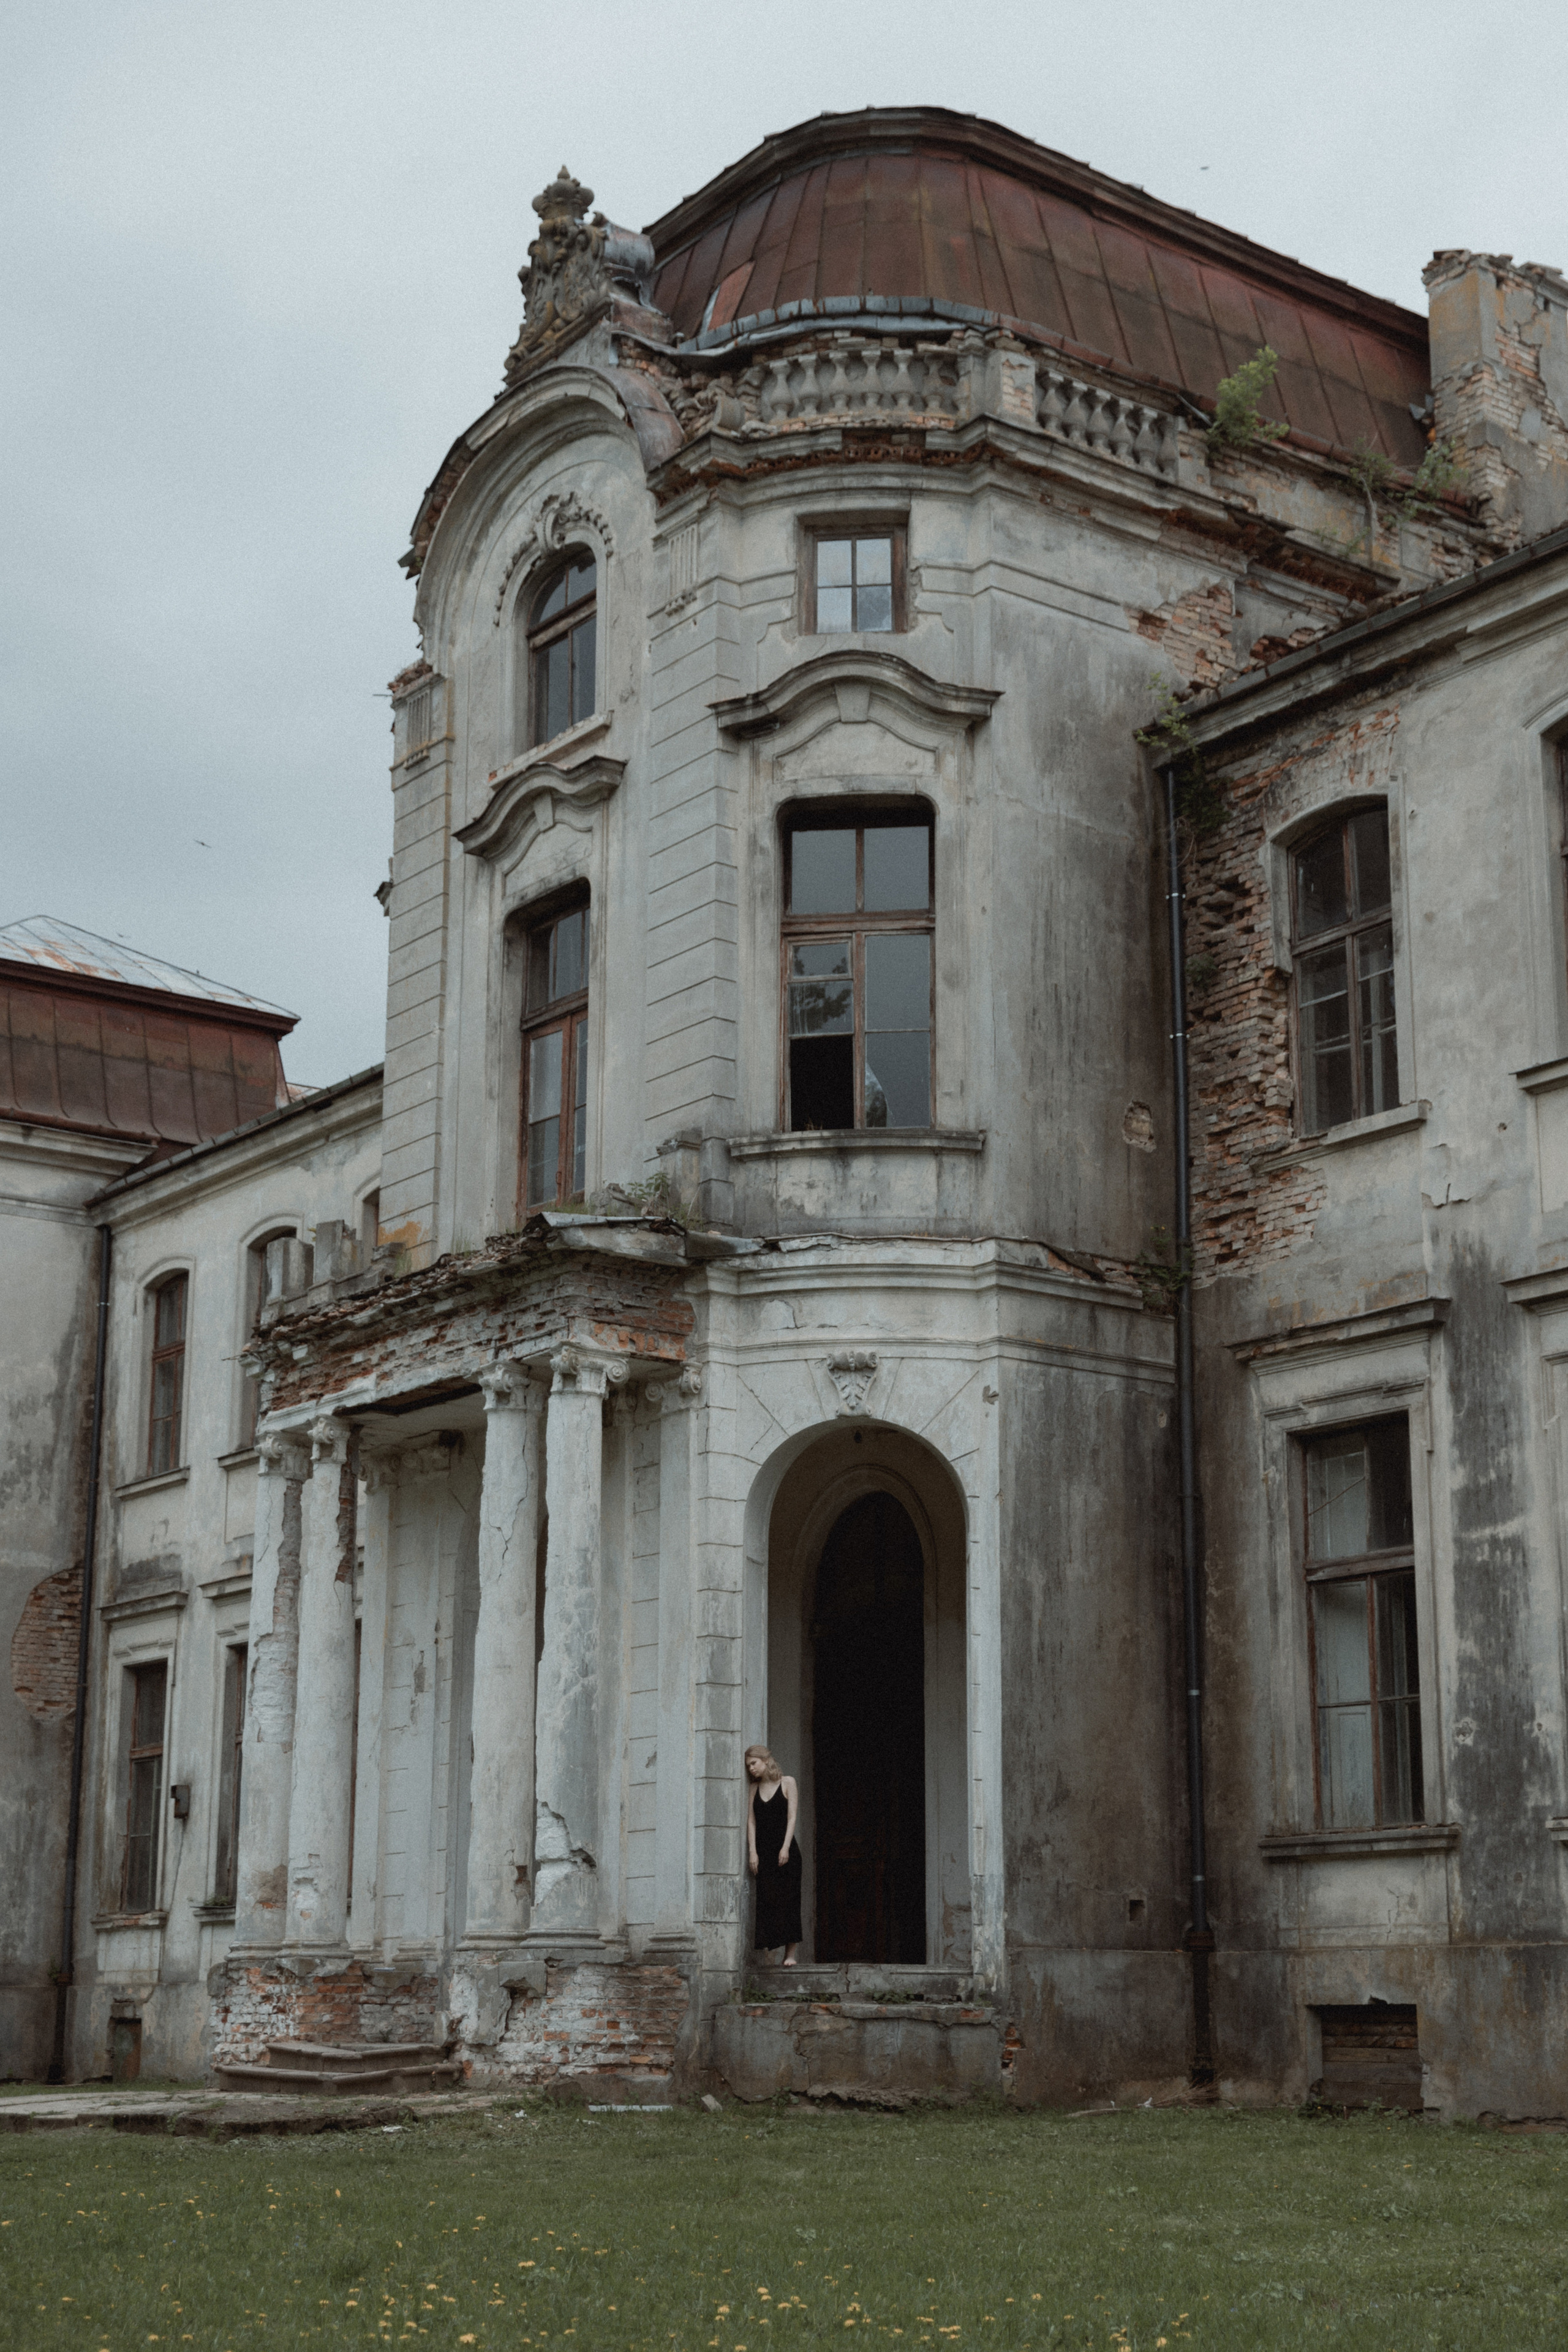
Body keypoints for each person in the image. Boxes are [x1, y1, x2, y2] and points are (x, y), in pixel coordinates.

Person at [745, 1742, 802, 1966]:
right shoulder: (753, 1788)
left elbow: (792, 1818)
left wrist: (786, 1847)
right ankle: (770, 1955)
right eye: (748, 1766)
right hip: (764, 1854)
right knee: (768, 1902)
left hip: (786, 1851)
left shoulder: (788, 1782)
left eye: (754, 1763)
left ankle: (790, 1955)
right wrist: (753, 1851)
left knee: (790, 1901)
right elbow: (751, 1822)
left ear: (766, 1761)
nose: (751, 1769)